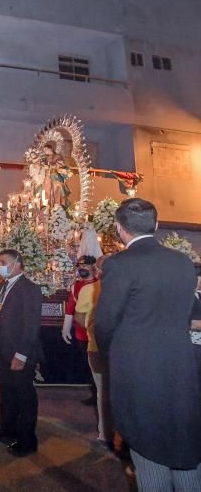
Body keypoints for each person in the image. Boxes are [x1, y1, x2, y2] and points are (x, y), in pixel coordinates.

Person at [94, 198, 201, 489]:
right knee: (183, 438)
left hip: (139, 369)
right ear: (156, 224)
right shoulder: (182, 261)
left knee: (148, 442)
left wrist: (111, 353)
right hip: (181, 364)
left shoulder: (120, 264)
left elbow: (104, 322)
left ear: (118, 228)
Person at [0, 249, 43, 457]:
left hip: (19, 351)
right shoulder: (2, 287)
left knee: (24, 395)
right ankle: (7, 430)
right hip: (1, 348)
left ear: (17, 263)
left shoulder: (30, 289)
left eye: (3, 262)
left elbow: (31, 325)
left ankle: (27, 440)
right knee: (7, 392)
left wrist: (22, 354)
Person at [75, 257, 111, 446]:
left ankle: (105, 433)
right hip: (118, 349)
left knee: (103, 391)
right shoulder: (129, 288)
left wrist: (91, 331)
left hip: (97, 347)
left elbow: (80, 317)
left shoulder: (90, 289)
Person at [62, 255, 98, 405]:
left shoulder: (99, 284)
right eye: (79, 266)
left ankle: (99, 394)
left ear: (93, 267)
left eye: (85, 265)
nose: (81, 268)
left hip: (95, 332)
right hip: (81, 333)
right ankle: (94, 392)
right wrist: (66, 327)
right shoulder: (76, 285)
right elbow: (71, 306)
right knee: (88, 365)